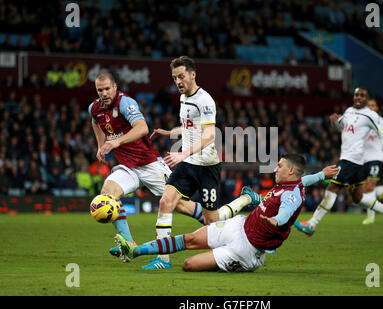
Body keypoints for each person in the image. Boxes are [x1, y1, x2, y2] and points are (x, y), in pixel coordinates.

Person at [114, 154, 339, 272]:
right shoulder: (296, 183)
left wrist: (275, 220)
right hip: (240, 225)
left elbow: (287, 211)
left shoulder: (291, 195)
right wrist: (321, 174)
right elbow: (306, 179)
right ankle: (136, 250)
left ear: (290, 170)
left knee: (189, 265)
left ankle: (236, 264)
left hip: (246, 251)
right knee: (190, 238)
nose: (275, 168)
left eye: (279, 165)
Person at [88, 71, 203, 267]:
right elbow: (95, 122)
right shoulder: (95, 108)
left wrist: (115, 143)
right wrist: (101, 146)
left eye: (107, 89)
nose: (104, 93)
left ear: (115, 87)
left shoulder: (125, 103)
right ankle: (128, 244)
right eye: (100, 90)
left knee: (181, 205)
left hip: (149, 164)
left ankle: (218, 223)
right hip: (127, 167)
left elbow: (142, 128)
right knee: (107, 195)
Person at [148, 56, 242, 268]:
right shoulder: (182, 98)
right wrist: (170, 132)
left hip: (207, 167)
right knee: (165, 202)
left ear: (193, 74)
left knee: (212, 221)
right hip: (188, 164)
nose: (178, 81)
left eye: (181, 76)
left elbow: (209, 135)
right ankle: (163, 259)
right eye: (174, 78)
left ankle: (243, 203)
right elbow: (191, 128)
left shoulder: (205, 100)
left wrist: (182, 153)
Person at [294, 87, 383, 237]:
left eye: (362, 95)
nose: (358, 97)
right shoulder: (348, 111)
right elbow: (342, 129)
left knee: (332, 189)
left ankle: (312, 224)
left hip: (351, 160)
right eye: (356, 95)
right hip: (356, 161)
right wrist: (334, 122)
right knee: (357, 198)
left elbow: (382, 134)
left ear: (366, 99)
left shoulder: (370, 115)